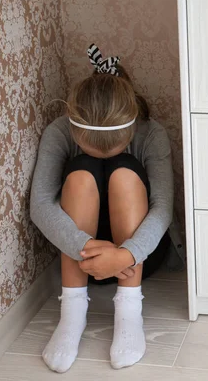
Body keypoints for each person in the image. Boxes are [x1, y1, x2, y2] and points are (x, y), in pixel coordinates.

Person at [30, 44, 173, 373]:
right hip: (82, 259)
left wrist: (125, 254)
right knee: (81, 173)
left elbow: (163, 208)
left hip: (135, 257)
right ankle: (72, 314)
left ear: (132, 128)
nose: (105, 153)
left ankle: (128, 312)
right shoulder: (58, 131)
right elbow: (40, 205)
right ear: (74, 127)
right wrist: (84, 246)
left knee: (123, 171)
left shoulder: (152, 134)